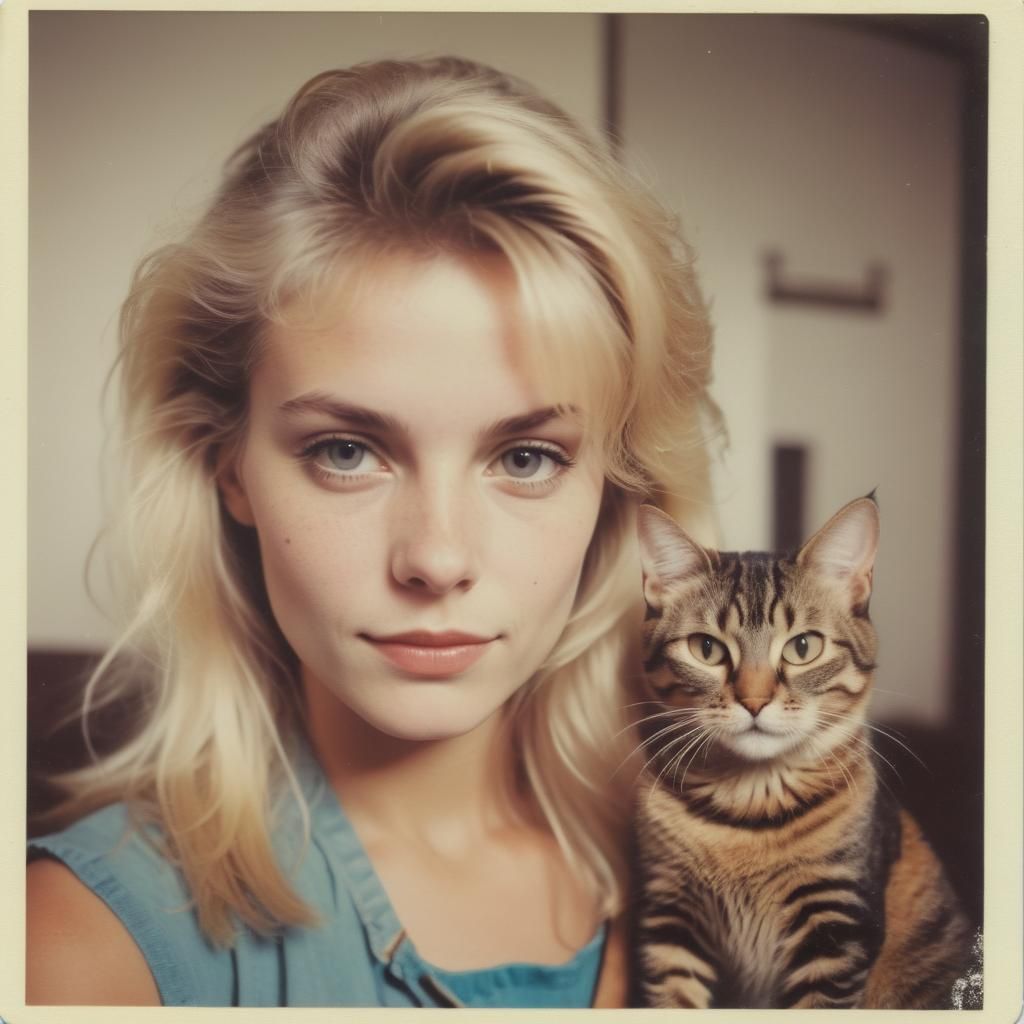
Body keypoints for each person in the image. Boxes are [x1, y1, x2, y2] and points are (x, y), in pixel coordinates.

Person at [26, 56, 721, 1007]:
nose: (437, 559)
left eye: (527, 459)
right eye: (347, 450)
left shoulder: (751, 882)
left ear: (617, 487)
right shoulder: (74, 949)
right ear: (229, 465)